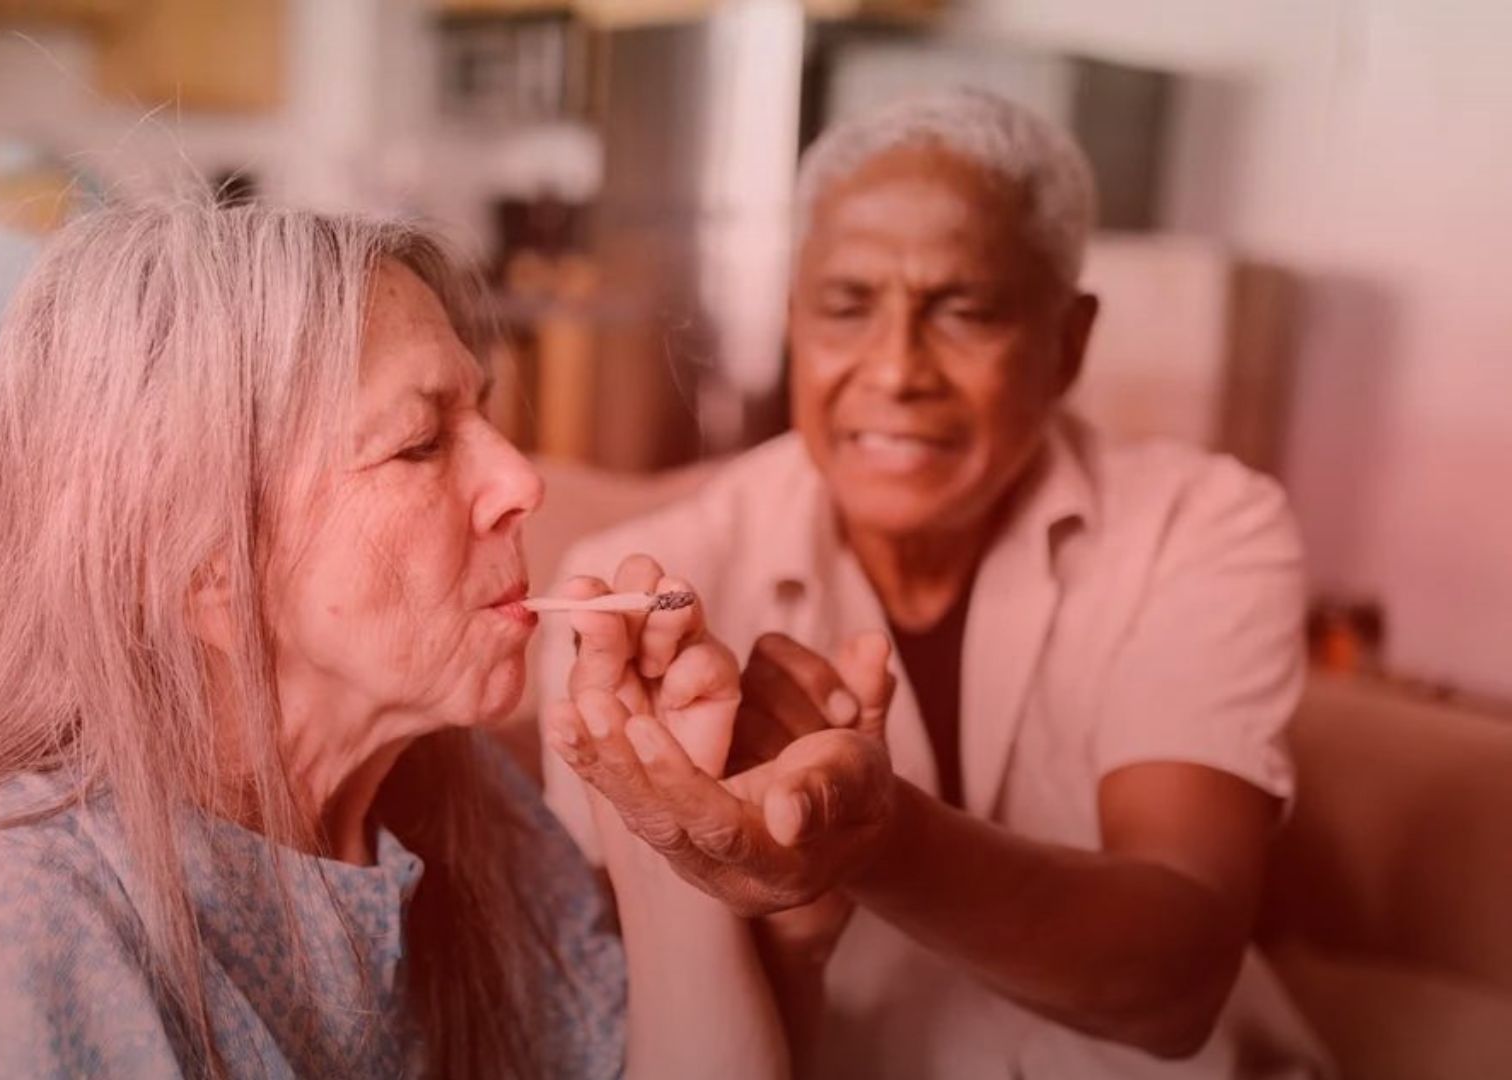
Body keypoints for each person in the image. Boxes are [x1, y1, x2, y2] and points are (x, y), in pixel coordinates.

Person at [0, 202, 796, 1079]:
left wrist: (673, 838)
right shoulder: (11, 946)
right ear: (205, 569)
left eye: (484, 417)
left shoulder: (468, 814)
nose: (521, 480)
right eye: (421, 443)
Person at [542, 88, 1330, 1078]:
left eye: (964, 311)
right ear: (795, 323)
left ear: (1069, 343)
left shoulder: (1202, 524)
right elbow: (625, 1007)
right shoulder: (635, 593)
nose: (897, 369)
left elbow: (1178, 980)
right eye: (846, 307)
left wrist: (879, 839)